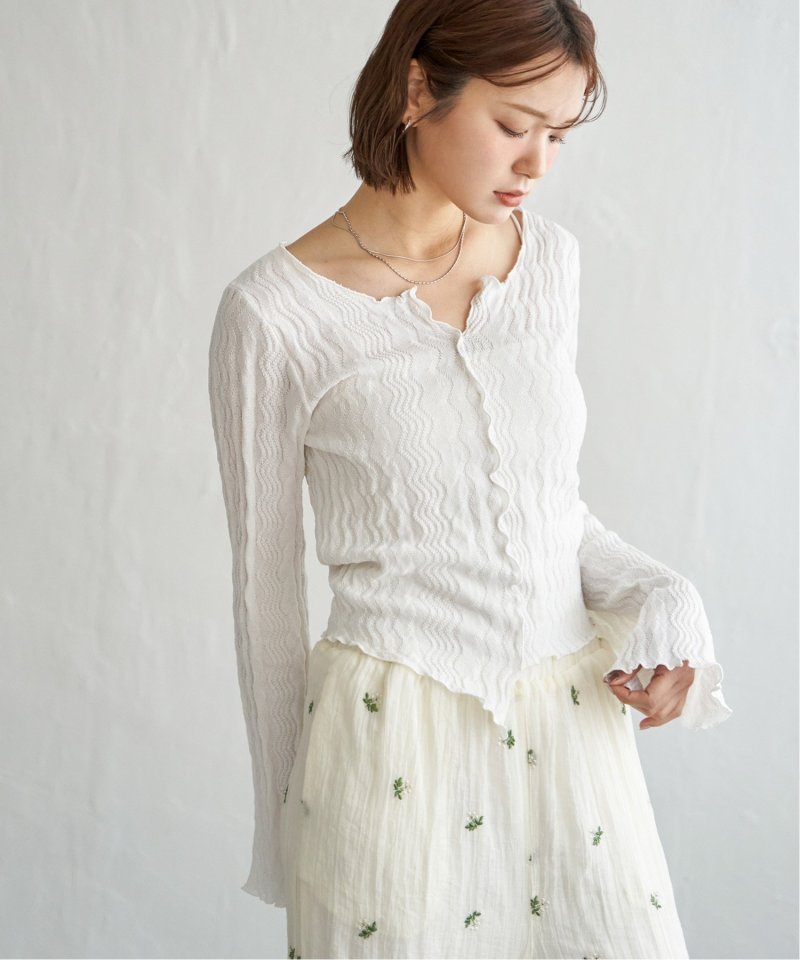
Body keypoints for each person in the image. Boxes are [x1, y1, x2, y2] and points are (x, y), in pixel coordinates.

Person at [207, 1, 733, 957]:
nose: (538, 164)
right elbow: (265, 598)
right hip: (388, 744)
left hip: (571, 735)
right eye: (514, 125)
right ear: (419, 89)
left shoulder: (549, 264)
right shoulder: (275, 315)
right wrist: (292, 821)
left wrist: (663, 595)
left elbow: (545, 512)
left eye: (558, 135)